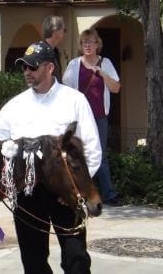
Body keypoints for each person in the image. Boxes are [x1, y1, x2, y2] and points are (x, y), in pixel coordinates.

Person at [0, 41, 101, 273]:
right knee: (33, 262)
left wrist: (77, 188)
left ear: (49, 68)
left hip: (64, 193)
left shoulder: (74, 100)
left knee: (77, 260)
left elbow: (92, 150)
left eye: (32, 67)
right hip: (27, 193)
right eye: (24, 67)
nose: (27, 72)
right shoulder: (15, 106)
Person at [63, 28, 122, 207]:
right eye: (84, 42)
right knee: (78, 155)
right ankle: (80, 193)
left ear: (98, 44)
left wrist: (102, 74)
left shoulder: (106, 63)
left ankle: (109, 195)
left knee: (101, 155)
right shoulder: (74, 65)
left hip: (99, 117)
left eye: (91, 42)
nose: (87, 45)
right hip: (79, 118)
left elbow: (116, 88)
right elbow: (66, 91)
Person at [42, 15, 66, 83]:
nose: (64, 33)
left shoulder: (55, 51)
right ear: (55, 31)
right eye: (64, 30)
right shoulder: (41, 52)